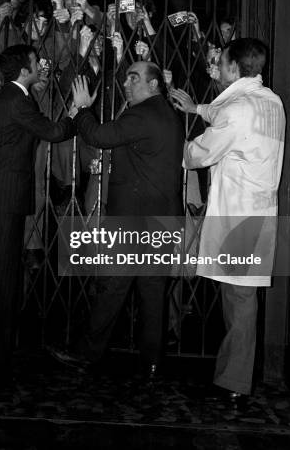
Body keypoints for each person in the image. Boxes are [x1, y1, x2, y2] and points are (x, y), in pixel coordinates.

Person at [49, 61, 184, 377]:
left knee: (111, 287)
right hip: (161, 220)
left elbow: (97, 136)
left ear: (153, 85)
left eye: (134, 78)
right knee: (152, 294)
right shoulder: (168, 115)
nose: (126, 83)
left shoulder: (143, 114)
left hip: (134, 221)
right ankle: (151, 363)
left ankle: (87, 355)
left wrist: (82, 109)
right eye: (125, 77)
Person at [170, 38, 285, 406]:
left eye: (220, 64)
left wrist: (176, 146)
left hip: (238, 213)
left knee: (238, 299)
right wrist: (198, 107)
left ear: (234, 69)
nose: (216, 69)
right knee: (238, 295)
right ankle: (231, 375)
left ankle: (235, 381)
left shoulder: (239, 110)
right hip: (257, 211)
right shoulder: (271, 102)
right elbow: (230, 114)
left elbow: (202, 152)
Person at [0, 44, 75, 382]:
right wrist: (76, 109)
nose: (39, 65)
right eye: (35, 61)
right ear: (25, 70)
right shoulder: (17, 100)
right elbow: (54, 132)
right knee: (0, 276)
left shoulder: (3, 99)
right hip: (5, 196)